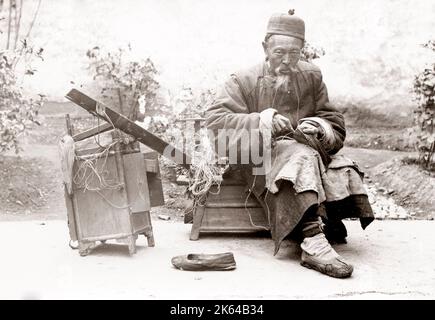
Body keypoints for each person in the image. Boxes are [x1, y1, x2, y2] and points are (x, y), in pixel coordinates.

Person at [205, 10, 374, 278]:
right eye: (279, 52)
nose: (286, 60)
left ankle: (324, 219)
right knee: (301, 158)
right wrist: (263, 120)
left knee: (341, 166)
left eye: (293, 54)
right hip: (257, 156)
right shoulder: (243, 80)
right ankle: (312, 241)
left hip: (303, 148)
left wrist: (320, 126)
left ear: (302, 51)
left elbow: (332, 118)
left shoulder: (311, 76)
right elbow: (216, 122)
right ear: (265, 47)